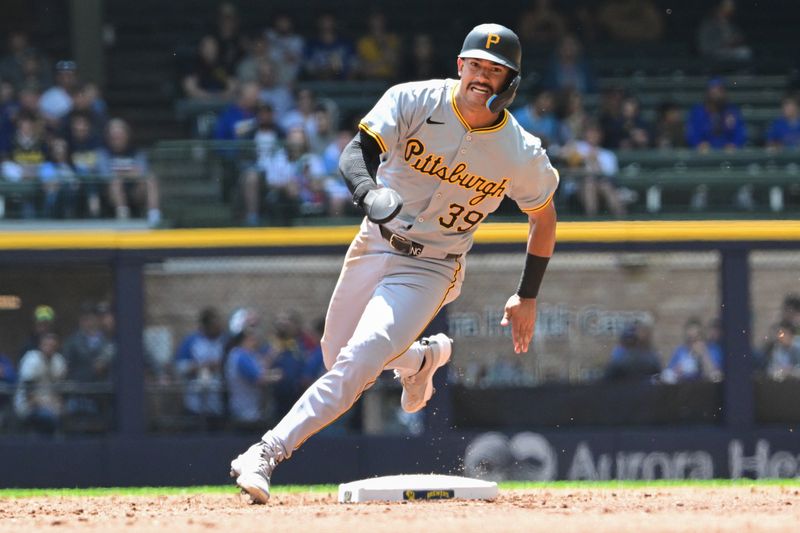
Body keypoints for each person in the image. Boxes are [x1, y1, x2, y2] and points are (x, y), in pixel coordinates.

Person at [230, 23, 559, 504]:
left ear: (511, 82)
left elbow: (544, 218)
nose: (481, 77)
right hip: (375, 241)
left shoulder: (521, 151)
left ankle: (266, 452)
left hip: (432, 265)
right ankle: (421, 358)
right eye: (475, 65)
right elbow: (355, 153)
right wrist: (368, 192)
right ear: (459, 65)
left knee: (359, 358)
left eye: (495, 70)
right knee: (336, 354)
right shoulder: (414, 99)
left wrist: (527, 294)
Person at [97, 118, 162, 225]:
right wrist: (129, 173)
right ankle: (123, 216)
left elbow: (143, 172)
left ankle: (154, 215)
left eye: (120, 136)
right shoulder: (103, 154)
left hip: (135, 191)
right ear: (108, 138)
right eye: (114, 137)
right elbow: (104, 174)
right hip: (111, 194)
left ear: (127, 135)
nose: (117, 139)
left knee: (151, 178)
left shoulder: (137, 153)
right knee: (115, 181)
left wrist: (122, 173)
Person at [174, 307, 226, 426]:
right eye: (213, 325)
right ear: (205, 326)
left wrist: (220, 365)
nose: (217, 328)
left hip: (218, 397)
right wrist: (202, 366)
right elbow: (179, 366)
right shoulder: (192, 341)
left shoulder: (224, 341)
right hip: (195, 397)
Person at [14, 333, 67, 434]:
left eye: (53, 346)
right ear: (41, 345)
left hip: (50, 403)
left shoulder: (59, 360)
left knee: (68, 411)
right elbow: (28, 393)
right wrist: (47, 405)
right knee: (47, 416)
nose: (49, 348)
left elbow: (59, 389)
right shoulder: (31, 359)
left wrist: (58, 403)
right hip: (28, 405)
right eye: (46, 345)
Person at [686, 77, 747, 151]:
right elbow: (692, 133)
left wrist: (734, 144)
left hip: (728, 153)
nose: (717, 93)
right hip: (703, 154)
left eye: (720, 90)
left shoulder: (732, 111)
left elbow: (740, 132)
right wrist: (698, 144)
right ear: (708, 92)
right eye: (714, 89)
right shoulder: (698, 111)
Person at [661, 317, 723, 383]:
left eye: (696, 338)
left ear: (702, 336)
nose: (693, 343)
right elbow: (668, 375)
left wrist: (703, 354)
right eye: (690, 339)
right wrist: (677, 372)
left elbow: (716, 378)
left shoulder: (713, 350)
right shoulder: (680, 351)